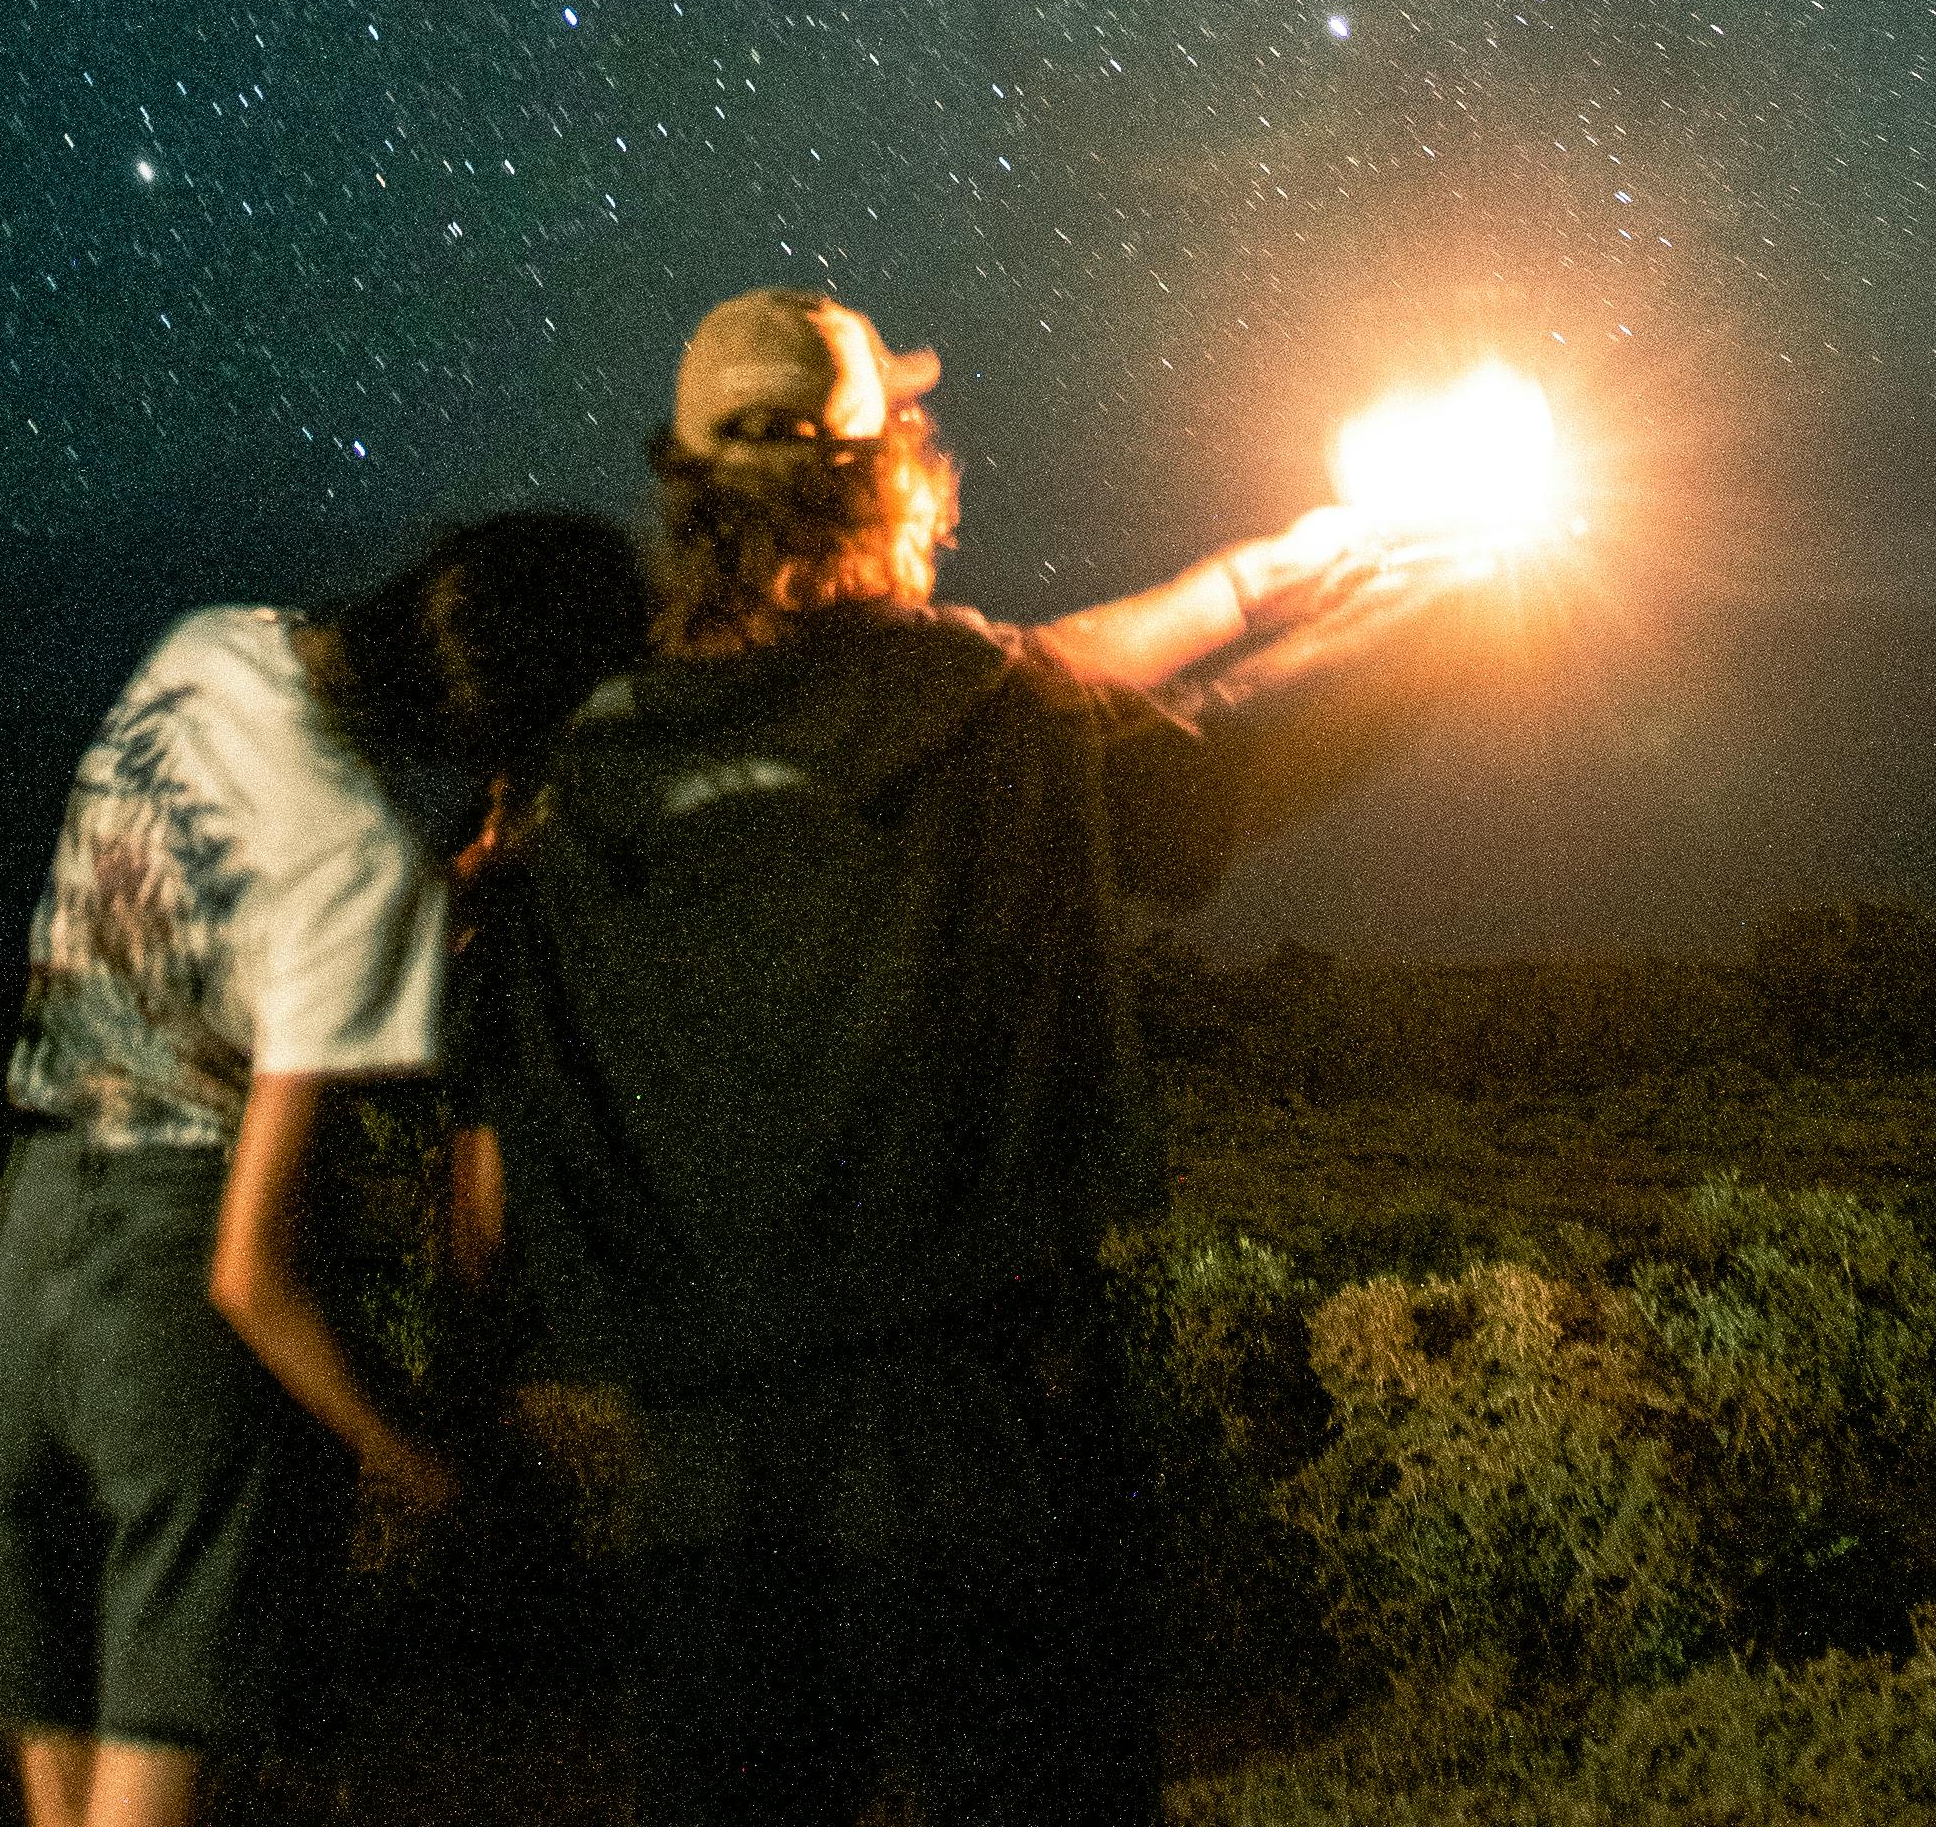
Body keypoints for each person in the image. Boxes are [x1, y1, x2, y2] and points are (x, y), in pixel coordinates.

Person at [452, 286, 1493, 1827]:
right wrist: (1446, 607)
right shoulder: (987, 722)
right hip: (975, 1444)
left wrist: (1248, 577)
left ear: (686, 494)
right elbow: (1215, 759)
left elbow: (983, 678)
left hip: (702, 1470)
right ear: (889, 475)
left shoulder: (586, 776)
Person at [0, 506, 648, 1827]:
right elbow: (252, 1273)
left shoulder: (205, 649)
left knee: (55, 1772)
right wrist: (446, 1474)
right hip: (172, 1294)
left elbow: (207, 944)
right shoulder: (362, 861)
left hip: (33, 1236)